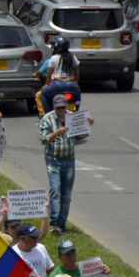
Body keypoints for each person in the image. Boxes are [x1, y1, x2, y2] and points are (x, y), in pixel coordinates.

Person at [39, 93, 90, 234]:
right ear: (54, 107)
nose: (61, 110)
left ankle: (62, 223)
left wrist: (87, 124)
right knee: (55, 190)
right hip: (53, 159)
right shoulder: (47, 119)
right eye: (58, 108)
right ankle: (54, 223)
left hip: (69, 159)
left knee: (66, 194)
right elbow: (43, 139)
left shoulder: (72, 117)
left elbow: (81, 135)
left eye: (63, 107)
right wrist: (57, 132)